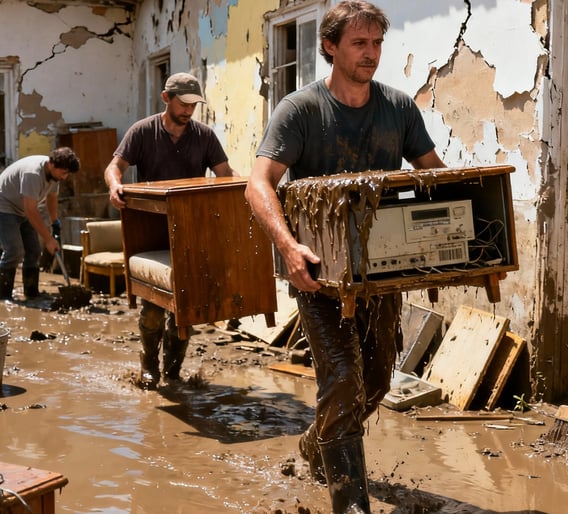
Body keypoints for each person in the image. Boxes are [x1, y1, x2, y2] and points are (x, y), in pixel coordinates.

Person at [244, 2, 447, 512]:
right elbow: (258, 183)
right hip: (319, 274)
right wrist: (289, 248)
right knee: (341, 378)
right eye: (360, 44)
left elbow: (433, 178)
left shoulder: (399, 109)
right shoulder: (300, 110)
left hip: (379, 273)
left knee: (376, 380)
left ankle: (318, 443)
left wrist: (445, 248)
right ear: (330, 46)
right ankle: (351, 503)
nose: (372, 54)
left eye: (377, 43)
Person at [104, 72, 236, 389]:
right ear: (166, 98)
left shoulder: (204, 136)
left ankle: (173, 372)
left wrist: (240, 198)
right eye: (184, 103)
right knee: (152, 308)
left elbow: (226, 176)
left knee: (185, 311)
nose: (189, 110)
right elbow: (114, 167)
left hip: (191, 231)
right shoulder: (142, 132)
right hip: (150, 231)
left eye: (194, 104)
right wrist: (115, 187)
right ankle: (149, 367)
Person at [0, 147, 80, 301]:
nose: (65, 177)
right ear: (51, 164)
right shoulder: (33, 174)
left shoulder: (55, 176)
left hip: (22, 208)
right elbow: (31, 211)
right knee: (14, 251)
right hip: (3, 204)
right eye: (64, 172)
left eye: (67, 173)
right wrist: (49, 239)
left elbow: (52, 198)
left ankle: (31, 292)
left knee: (34, 250)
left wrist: (54, 221)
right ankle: (4, 296)